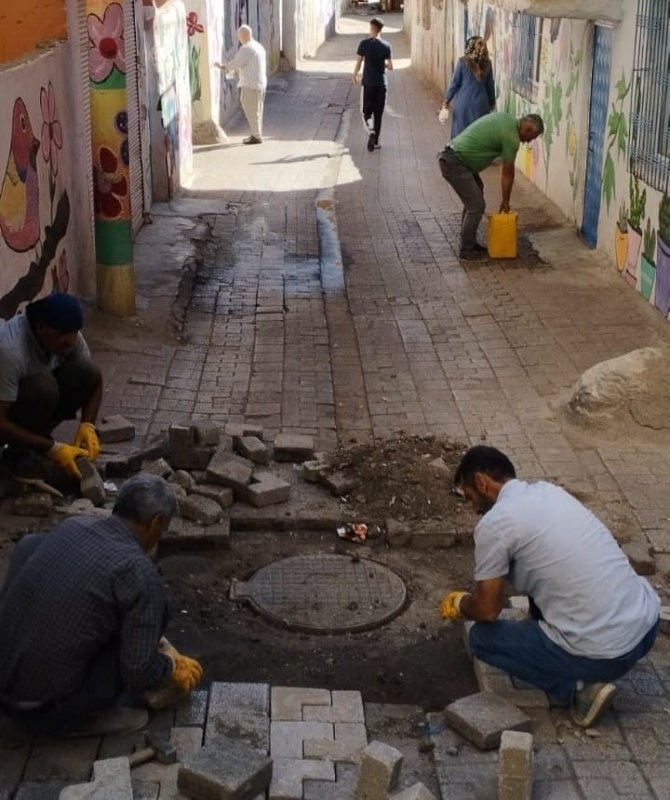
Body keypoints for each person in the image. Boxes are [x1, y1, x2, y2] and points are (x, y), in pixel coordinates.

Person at [441, 446, 660, 728]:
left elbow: (487, 610)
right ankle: (571, 648)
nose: (473, 507)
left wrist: (461, 604)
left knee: (482, 639)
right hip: (646, 628)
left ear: (482, 482)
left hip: (608, 655)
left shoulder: (495, 523)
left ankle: (579, 690)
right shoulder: (550, 492)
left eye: (470, 496)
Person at [0, 474, 203, 736]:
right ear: (156, 522)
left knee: (32, 546)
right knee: (157, 608)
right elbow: (138, 673)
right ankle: (83, 719)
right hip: (43, 712)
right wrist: (170, 668)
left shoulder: (73, 526)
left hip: (3, 693)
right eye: (163, 531)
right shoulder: (137, 570)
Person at [0, 293, 102, 482]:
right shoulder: (11, 351)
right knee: (43, 387)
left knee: (86, 370)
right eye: (63, 334)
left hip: (27, 404)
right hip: (6, 413)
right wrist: (53, 448)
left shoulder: (70, 338)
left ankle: (36, 444)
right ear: (41, 328)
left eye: (74, 332)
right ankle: (16, 457)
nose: (70, 340)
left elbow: (94, 381)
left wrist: (88, 426)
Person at [438, 112, 544, 260]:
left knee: (475, 196)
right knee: (477, 206)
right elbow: (507, 173)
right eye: (531, 137)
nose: (527, 142)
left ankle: (469, 242)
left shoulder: (507, 119)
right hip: (455, 162)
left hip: (455, 157)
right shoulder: (511, 137)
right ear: (527, 129)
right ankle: (466, 249)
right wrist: (505, 201)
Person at [216, 25, 267, 145]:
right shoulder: (258, 47)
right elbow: (246, 65)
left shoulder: (247, 48)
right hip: (259, 83)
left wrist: (223, 66)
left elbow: (236, 63)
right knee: (257, 109)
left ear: (243, 35)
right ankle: (256, 133)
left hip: (250, 84)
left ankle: (257, 136)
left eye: (239, 37)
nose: (239, 39)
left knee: (251, 109)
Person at [352, 17, 393, 153]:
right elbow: (391, 66)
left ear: (372, 28)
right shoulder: (386, 46)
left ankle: (371, 131)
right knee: (379, 114)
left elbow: (359, 62)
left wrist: (355, 75)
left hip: (368, 83)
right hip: (382, 85)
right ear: (381, 30)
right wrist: (383, 63)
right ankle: (375, 142)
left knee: (366, 112)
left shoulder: (364, 44)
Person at [442, 36, 496, 138]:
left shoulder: (463, 62)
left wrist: (446, 102)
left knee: (460, 137)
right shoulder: (487, 64)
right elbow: (490, 87)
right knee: (479, 137)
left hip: (463, 104)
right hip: (481, 105)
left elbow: (454, 85)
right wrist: (492, 104)